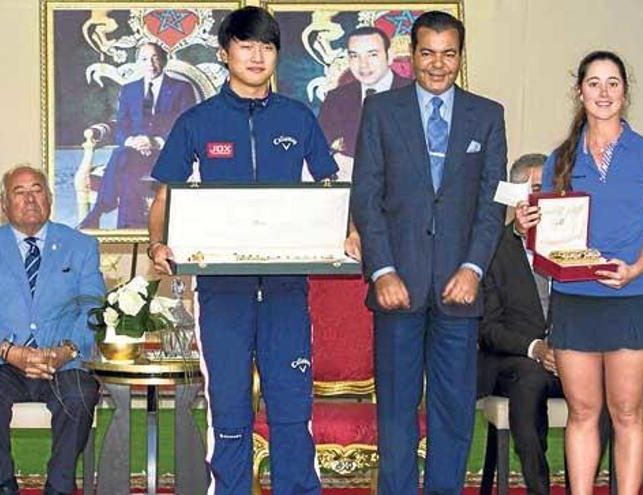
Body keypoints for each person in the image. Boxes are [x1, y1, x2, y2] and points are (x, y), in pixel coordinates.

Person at [146, 7, 337, 495]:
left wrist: (349, 231)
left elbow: (331, 190)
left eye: (267, 46)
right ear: (224, 52)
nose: (257, 56)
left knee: (292, 406)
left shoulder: (297, 117)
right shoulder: (197, 122)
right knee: (229, 408)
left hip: (285, 288)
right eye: (247, 45)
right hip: (221, 290)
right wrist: (156, 242)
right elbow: (165, 200)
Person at [350, 10, 507, 494]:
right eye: (427, 53)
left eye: (448, 54)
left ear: (460, 57)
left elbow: (491, 203)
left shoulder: (488, 114)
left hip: (460, 291)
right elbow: (366, 197)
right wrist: (382, 270)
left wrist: (474, 268)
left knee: (454, 412)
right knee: (396, 412)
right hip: (398, 287)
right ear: (410, 56)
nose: (438, 65)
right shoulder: (381, 112)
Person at [516, 50, 643, 495]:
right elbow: (548, 237)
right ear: (579, 91)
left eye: (613, 83)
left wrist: (635, 268)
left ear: (625, 92)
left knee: (627, 413)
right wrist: (529, 227)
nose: (603, 92)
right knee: (582, 413)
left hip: (630, 298)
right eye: (594, 83)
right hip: (574, 301)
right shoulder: (559, 158)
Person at [0, 165, 103, 495]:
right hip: (0, 362)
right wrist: (10, 351)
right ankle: (3, 483)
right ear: (5, 204)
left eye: (37, 190)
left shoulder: (81, 246)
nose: (30, 198)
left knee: (81, 394)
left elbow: (94, 308)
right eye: (20, 192)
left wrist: (67, 350)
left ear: (49, 198)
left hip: (62, 362)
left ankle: (59, 486)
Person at [478, 153, 563, 495]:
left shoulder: (574, 244)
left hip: (569, 358)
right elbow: (487, 328)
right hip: (511, 361)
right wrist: (536, 349)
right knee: (529, 380)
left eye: (554, 188)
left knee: (605, 380)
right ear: (516, 196)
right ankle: (538, 487)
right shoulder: (491, 250)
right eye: (539, 188)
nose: (548, 198)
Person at [80, 42, 196, 229]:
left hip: (167, 153)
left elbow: (188, 125)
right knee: (122, 158)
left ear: (164, 60)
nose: (150, 64)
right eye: (144, 59)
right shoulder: (129, 89)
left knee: (124, 170)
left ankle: (103, 212)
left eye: (155, 57)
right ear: (138, 63)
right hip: (135, 152)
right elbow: (121, 125)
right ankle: (126, 226)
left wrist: (155, 142)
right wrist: (131, 141)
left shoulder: (182, 88)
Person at [317, 26, 410, 182]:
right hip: (356, 189)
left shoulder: (415, 94)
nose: (363, 65)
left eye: (372, 55)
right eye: (355, 56)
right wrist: (336, 159)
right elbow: (317, 146)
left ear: (390, 56)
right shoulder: (337, 98)